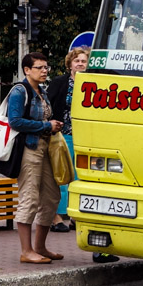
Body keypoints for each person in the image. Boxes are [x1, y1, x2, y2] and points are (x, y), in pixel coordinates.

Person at [8, 52, 65, 265]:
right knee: (29, 197)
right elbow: (15, 121)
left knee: (51, 196)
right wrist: (45, 126)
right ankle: (26, 250)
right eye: (39, 67)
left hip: (45, 147)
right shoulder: (19, 91)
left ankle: (40, 246)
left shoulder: (42, 91)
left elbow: (45, 116)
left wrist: (52, 125)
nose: (44, 71)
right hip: (28, 149)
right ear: (27, 70)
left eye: (46, 67)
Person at [46, 46, 88, 232]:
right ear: (70, 64)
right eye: (77, 61)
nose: (80, 64)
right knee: (62, 174)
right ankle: (57, 216)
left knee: (80, 178)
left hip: (85, 137)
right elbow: (47, 104)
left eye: (83, 61)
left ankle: (74, 215)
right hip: (63, 135)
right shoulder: (60, 82)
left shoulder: (92, 83)